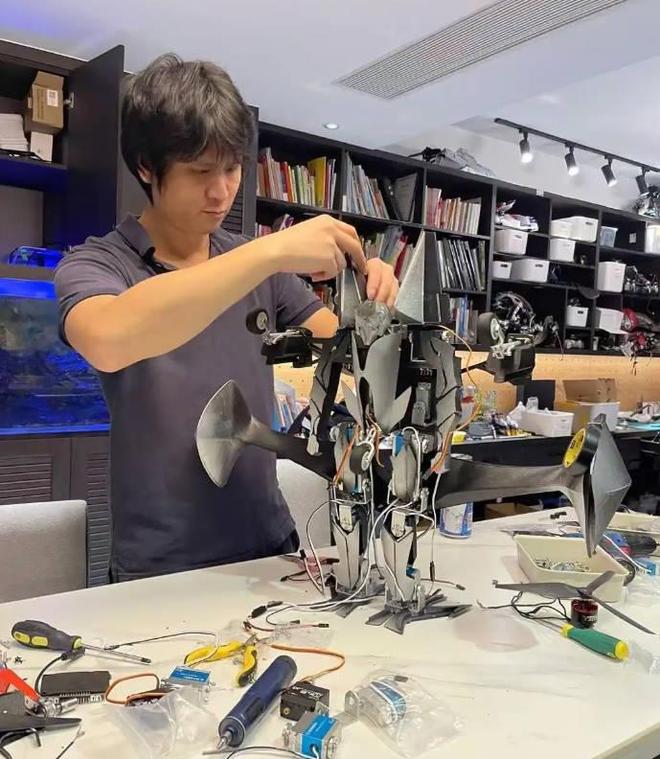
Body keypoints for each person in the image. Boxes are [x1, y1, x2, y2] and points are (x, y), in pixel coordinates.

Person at [54, 54, 398, 581]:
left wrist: (371, 301)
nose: (221, 191)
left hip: (268, 540)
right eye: (200, 172)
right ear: (146, 166)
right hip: (161, 561)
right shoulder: (98, 263)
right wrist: (269, 251)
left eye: (232, 168)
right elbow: (107, 338)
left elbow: (352, 353)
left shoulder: (257, 265)